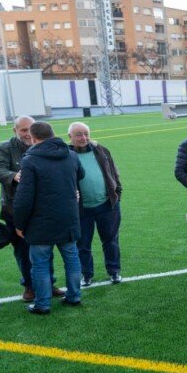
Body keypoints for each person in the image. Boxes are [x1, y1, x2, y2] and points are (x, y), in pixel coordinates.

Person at [13, 122, 84, 315]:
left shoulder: (30, 160)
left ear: (34, 138)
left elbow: (24, 197)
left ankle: (42, 303)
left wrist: (19, 223)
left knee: (40, 264)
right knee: (71, 259)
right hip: (68, 218)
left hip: (40, 223)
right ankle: (74, 296)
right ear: (53, 134)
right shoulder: (71, 155)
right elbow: (81, 175)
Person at [0, 115, 65, 302]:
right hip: (15, 210)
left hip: (42, 209)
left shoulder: (44, 145)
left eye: (30, 129)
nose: (27, 133)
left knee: (45, 249)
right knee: (23, 251)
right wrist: (15, 175)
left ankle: (49, 283)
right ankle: (29, 287)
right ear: (14, 130)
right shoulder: (4, 147)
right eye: (23, 129)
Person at [67, 122, 123, 287]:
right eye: (79, 134)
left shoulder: (101, 150)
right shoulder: (67, 155)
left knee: (111, 241)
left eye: (86, 133)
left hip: (108, 205)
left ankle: (114, 272)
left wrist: (117, 192)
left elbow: (113, 171)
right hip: (81, 209)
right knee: (82, 245)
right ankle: (87, 275)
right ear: (70, 137)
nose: (83, 138)